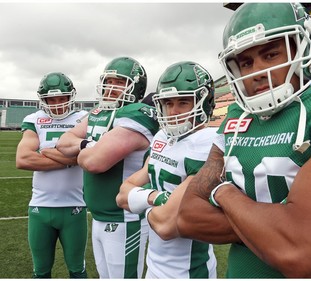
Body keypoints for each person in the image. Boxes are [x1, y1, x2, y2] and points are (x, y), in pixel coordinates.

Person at [177, 3, 311, 278]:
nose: (256, 72)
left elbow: (302, 252)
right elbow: (188, 216)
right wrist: (275, 226)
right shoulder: (236, 116)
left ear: (303, 49)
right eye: (245, 62)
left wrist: (223, 192)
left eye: (270, 54)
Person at [56, 57, 159, 278]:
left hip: (124, 219)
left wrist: (85, 151)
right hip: (100, 216)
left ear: (136, 87)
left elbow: (95, 163)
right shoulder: (98, 113)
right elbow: (63, 142)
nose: (111, 87)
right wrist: (88, 145)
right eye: (108, 81)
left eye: (119, 82)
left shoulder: (138, 113)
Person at [116, 61, 217, 278]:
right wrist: (158, 198)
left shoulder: (207, 142)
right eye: (168, 103)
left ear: (204, 102)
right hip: (153, 267)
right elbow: (122, 195)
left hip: (188, 271)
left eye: (183, 103)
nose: (173, 111)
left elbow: (165, 226)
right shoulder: (162, 138)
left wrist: (140, 200)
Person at [16, 72, 88, 278]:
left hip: (74, 206)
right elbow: (23, 160)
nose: (57, 104)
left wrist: (47, 153)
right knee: (41, 271)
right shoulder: (34, 119)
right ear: (43, 99)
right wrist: (69, 159)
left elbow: (88, 156)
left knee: (77, 270)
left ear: (70, 97)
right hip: (40, 207)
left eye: (62, 98)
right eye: (51, 99)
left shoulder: (82, 119)